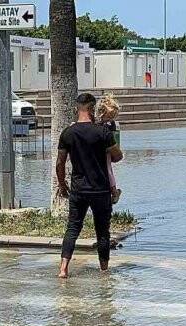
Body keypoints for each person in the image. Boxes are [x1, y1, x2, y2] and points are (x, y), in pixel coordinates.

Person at [56, 93, 124, 279]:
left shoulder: (68, 133)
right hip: (100, 190)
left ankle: (63, 269)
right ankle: (104, 270)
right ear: (93, 109)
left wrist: (62, 185)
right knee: (102, 231)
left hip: (78, 189)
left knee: (73, 228)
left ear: (76, 109)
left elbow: (60, 163)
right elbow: (118, 156)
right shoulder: (103, 133)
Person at [95, 93, 123, 205]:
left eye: (113, 116)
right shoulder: (96, 122)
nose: (110, 119)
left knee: (108, 169)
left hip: (107, 151)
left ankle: (114, 190)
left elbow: (114, 139)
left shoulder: (111, 124)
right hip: (98, 150)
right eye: (109, 116)